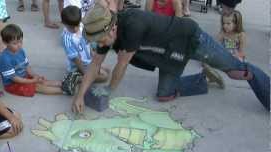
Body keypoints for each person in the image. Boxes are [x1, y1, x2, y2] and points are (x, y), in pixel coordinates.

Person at [72, 4, 270, 113]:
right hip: (168, 54)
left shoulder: (132, 26)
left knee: (236, 71)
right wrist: (81, 95)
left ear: (112, 28)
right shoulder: (106, 33)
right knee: (164, 95)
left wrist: (108, 90)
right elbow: (95, 63)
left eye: (100, 38)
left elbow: (121, 66)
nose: (100, 43)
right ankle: (203, 80)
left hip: (191, 39)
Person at [0, 24, 72, 97]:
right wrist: (32, 81)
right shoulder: (5, 59)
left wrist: (34, 75)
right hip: (12, 84)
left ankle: (64, 83)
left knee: (41, 80)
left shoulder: (20, 51)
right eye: (15, 43)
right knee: (36, 86)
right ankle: (64, 90)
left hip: (23, 77)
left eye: (20, 41)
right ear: (5, 43)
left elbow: (26, 66)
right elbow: (14, 78)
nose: (19, 45)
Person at [61, 6, 110, 84]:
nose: (75, 29)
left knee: (108, 69)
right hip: (79, 66)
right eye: (71, 27)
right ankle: (76, 78)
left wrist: (92, 54)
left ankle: (85, 75)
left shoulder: (81, 26)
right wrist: (85, 73)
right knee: (104, 77)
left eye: (77, 25)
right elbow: (76, 59)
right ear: (64, 23)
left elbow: (87, 43)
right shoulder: (67, 39)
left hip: (88, 61)